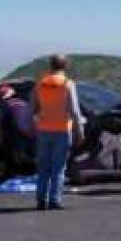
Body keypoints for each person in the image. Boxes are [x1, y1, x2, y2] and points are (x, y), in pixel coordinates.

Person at [31, 54, 85, 210]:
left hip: (43, 129)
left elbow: (34, 106)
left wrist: (36, 120)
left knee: (43, 166)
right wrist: (79, 129)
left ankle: (41, 199)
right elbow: (74, 109)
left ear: (51, 65)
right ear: (65, 66)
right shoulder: (67, 83)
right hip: (61, 129)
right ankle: (54, 199)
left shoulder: (41, 83)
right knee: (58, 166)